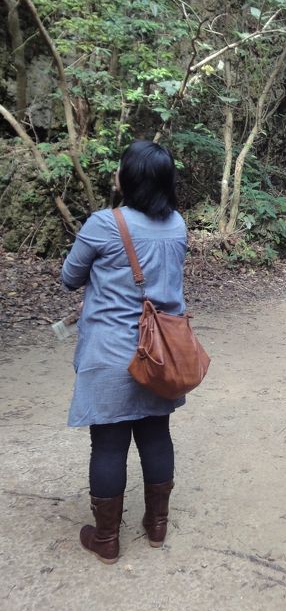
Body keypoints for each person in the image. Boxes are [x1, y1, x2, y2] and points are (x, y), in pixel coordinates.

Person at [61, 140, 187, 564]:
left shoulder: (103, 223)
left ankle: (107, 539)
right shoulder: (178, 226)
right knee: (156, 436)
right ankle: (156, 527)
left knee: (109, 447)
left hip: (111, 354)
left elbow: (69, 277)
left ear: (126, 179)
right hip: (162, 354)